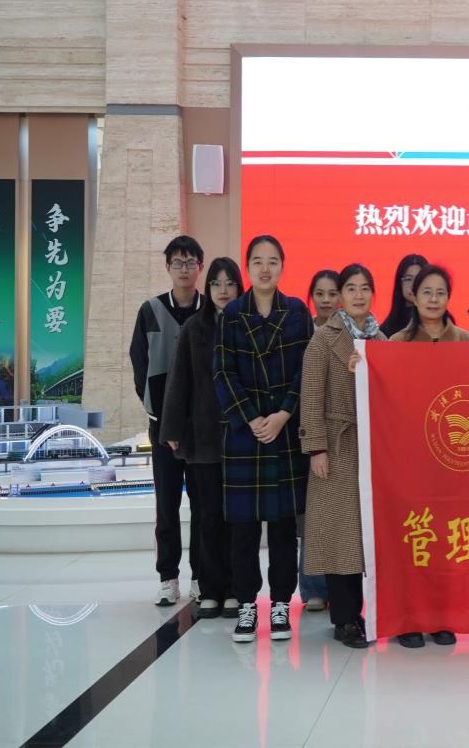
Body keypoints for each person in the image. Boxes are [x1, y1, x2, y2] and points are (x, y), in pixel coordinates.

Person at [215, 235, 313, 644]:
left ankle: (280, 604)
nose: (265, 268)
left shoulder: (298, 312)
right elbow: (223, 372)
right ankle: (246, 605)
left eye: (273, 261)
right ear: (248, 267)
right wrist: (252, 418)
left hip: (285, 432)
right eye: (258, 261)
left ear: (282, 266)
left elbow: (306, 370)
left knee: (283, 529)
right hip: (246, 435)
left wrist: (284, 413)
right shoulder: (232, 314)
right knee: (243, 531)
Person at [299, 264, 387, 649]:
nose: (358, 295)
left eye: (365, 288)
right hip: (337, 446)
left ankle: (366, 612)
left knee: (367, 536)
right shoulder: (323, 338)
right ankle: (345, 619)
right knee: (341, 537)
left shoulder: (382, 339)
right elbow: (311, 396)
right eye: (351, 288)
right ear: (340, 296)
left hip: (373, 447)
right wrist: (316, 447)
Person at [389, 264, 469, 647]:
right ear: (414, 296)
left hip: (451, 459)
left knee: (444, 541)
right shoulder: (397, 342)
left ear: (448, 298)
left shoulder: (464, 341)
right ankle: (407, 619)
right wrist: (362, 367)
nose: (434, 300)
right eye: (427, 292)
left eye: (440, 293)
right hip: (410, 458)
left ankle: (440, 617)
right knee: (410, 537)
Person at [160, 256, 242, 620]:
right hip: (205, 438)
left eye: (230, 283)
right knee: (208, 516)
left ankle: (235, 590)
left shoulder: (247, 325)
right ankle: (210, 589)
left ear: (239, 287)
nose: (223, 290)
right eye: (216, 283)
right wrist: (173, 429)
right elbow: (179, 380)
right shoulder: (195, 327)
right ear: (207, 288)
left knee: (237, 519)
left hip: (242, 439)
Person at [130, 234, 205, 607]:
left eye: (190, 262)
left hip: (204, 429)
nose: (184, 269)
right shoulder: (150, 310)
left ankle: (202, 577)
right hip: (163, 428)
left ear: (200, 268)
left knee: (205, 508)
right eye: (178, 262)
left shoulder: (211, 311)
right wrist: (163, 418)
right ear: (168, 267)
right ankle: (168, 577)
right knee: (167, 507)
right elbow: (140, 366)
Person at [300, 269, 341, 612]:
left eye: (332, 293)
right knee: (311, 515)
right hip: (305, 432)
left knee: (338, 514)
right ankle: (313, 586)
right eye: (320, 293)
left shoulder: (352, 332)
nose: (326, 300)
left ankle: (341, 587)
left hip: (341, 437)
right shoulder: (303, 332)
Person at [379, 253, 428, 337]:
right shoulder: (385, 330)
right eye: (408, 279)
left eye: (419, 279)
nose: (413, 285)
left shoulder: (442, 324)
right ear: (400, 283)